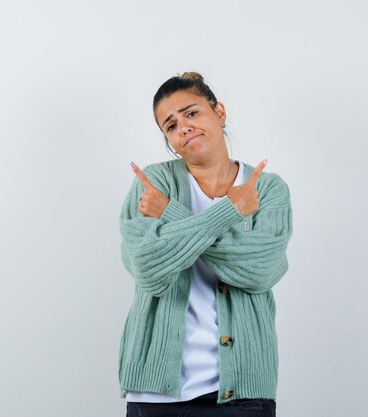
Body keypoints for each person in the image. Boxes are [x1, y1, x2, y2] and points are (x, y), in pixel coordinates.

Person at [118, 72, 293, 417]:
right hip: (157, 393)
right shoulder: (154, 182)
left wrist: (168, 214)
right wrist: (230, 211)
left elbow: (259, 271)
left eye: (192, 113)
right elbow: (147, 269)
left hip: (244, 390)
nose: (182, 127)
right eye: (170, 125)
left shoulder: (267, 188)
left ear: (220, 112)